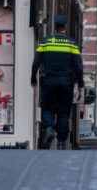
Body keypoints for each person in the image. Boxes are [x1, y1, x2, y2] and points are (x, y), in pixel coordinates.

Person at [31, 15, 83, 150]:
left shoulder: (45, 42)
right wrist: (81, 83)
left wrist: (33, 79)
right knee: (63, 112)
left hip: (49, 81)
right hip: (66, 82)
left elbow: (36, 62)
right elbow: (78, 66)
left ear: (54, 27)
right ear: (65, 27)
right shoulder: (72, 44)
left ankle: (49, 128)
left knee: (47, 108)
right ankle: (61, 142)